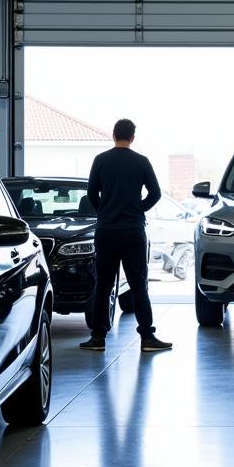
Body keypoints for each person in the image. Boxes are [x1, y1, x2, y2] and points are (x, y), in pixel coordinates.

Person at [80, 118, 172, 353]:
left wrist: (105, 210)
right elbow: (156, 193)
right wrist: (138, 208)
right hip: (133, 231)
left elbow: (91, 192)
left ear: (113, 135)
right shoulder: (141, 161)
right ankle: (148, 338)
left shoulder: (101, 160)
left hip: (106, 231)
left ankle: (98, 338)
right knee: (138, 284)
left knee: (103, 284)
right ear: (132, 138)